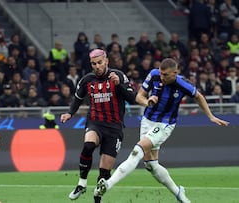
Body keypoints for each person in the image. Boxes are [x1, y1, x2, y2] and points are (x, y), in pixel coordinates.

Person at [95, 58, 230, 203]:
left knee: (137, 151)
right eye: (161, 73)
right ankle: (179, 193)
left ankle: (107, 184)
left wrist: (210, 116)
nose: (162, 77)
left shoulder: (182, 84)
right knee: (151, 165)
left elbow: (199, 97)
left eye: (165, 75)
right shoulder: (153, 75)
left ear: (175, 73)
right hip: (147, 120)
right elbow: (139, 96)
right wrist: (148, 102)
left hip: (165, 124)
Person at [60, 48, 135, 203]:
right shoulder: (87, 80)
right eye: (94, 64)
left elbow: (132, 98)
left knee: (104, 175)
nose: (97, 66)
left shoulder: (119, 76)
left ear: (106, 61)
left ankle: (96, 199)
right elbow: (77, 98)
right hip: (95, 123)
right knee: (88, 145)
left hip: (114, 127)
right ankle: (81, 183)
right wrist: (70, 113)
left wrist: (119, 84)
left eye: (100, 63)